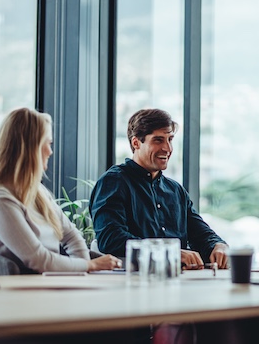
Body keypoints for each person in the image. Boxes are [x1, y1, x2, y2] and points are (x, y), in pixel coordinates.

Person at [0, 108, 121, 273]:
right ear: (31, 148)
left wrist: (83, 269)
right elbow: (38, 259)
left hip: (46, 283)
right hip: (19, 291)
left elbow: (71, 235)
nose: (50, 151)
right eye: (48, 143)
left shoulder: (37, 192)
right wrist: (90, 265)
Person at [90, 108, 228, 269]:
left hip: (179, 282)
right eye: (158, 140)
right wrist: (170, 252)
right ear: (136, 143)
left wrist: (218, 245)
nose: (167, 148)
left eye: (170, 139)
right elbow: (111, 239)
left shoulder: (175, 190)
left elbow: (201, 233)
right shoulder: (113, 182)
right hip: (131, 283)